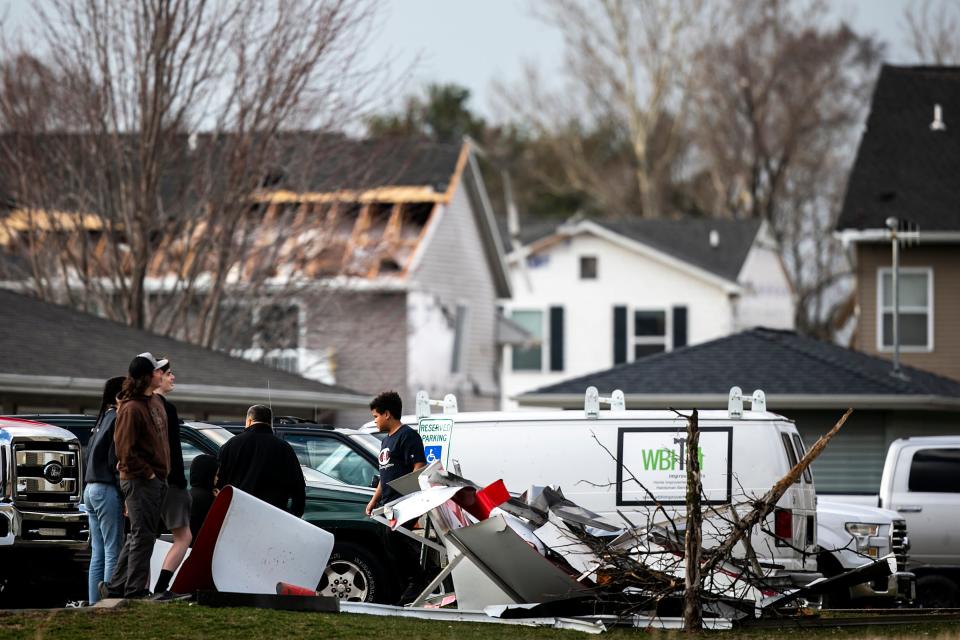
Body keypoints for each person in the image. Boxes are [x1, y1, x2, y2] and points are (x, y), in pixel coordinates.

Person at [100, 352, 170, 600]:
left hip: (156, 480)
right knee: (143, 536)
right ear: (147, 376)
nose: (162, 373)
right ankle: (134, 590)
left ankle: (116, 586)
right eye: (157, 370)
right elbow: (125, 451)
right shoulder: (131, 408)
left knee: (139, 534)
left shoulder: (155, 402)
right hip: (139, 481)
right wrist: (149, 474)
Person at [364, 391, 427, 604]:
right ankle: (403, 593)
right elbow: (384, 476)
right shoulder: (385, 442)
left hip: (405, 503)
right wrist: (373, 501)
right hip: (387, 504)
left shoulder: (408, 436)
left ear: (388, 414)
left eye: (376, 416)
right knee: (389, 547)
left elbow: (419, 467)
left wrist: (409, 493)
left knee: (398, 542)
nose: (375, 421)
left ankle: (419, 581)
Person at [215, 404, 305, 517]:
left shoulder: (230, 445)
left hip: (237, 512)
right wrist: (295, 515)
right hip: (273, 514)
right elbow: (298, 487)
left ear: (249, 420)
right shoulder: (284, 448)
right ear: (270, 423)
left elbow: (219, 481)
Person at [83, 376, 126, 605]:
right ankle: (108, 603)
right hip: (107, 488)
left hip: (90, 489)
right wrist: (125, 492)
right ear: (120, 395)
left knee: (97, 554)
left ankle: (93, 604)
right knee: (113, 551)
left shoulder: (102, 418)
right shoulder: (118, 418)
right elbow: (114, 459)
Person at [152, 358, 191, 599]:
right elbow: (172, 450)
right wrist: (178, 479)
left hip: (148, 482)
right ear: (157, 376)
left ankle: (121, 584)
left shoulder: (141, 406)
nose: (172, 377)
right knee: (184, 536)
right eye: (168, 374)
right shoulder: (166, 408)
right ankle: (160, 588)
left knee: (142, 536)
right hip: (170, 482)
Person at [188, 454, 219, 541]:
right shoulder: (208, 498)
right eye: (216, 475)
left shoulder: (189, 494)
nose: (217, 478)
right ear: (208, 475)